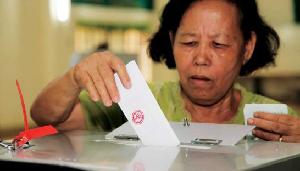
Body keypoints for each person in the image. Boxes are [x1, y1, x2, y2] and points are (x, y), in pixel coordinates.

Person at [31, 0, 300, 143]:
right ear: (172, 41)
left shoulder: (276, 121)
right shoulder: (135, 101)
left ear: (247, 48)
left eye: (219, 44)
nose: (201, 58)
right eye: (189, 42)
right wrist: (74, 77)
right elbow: (46, 117)